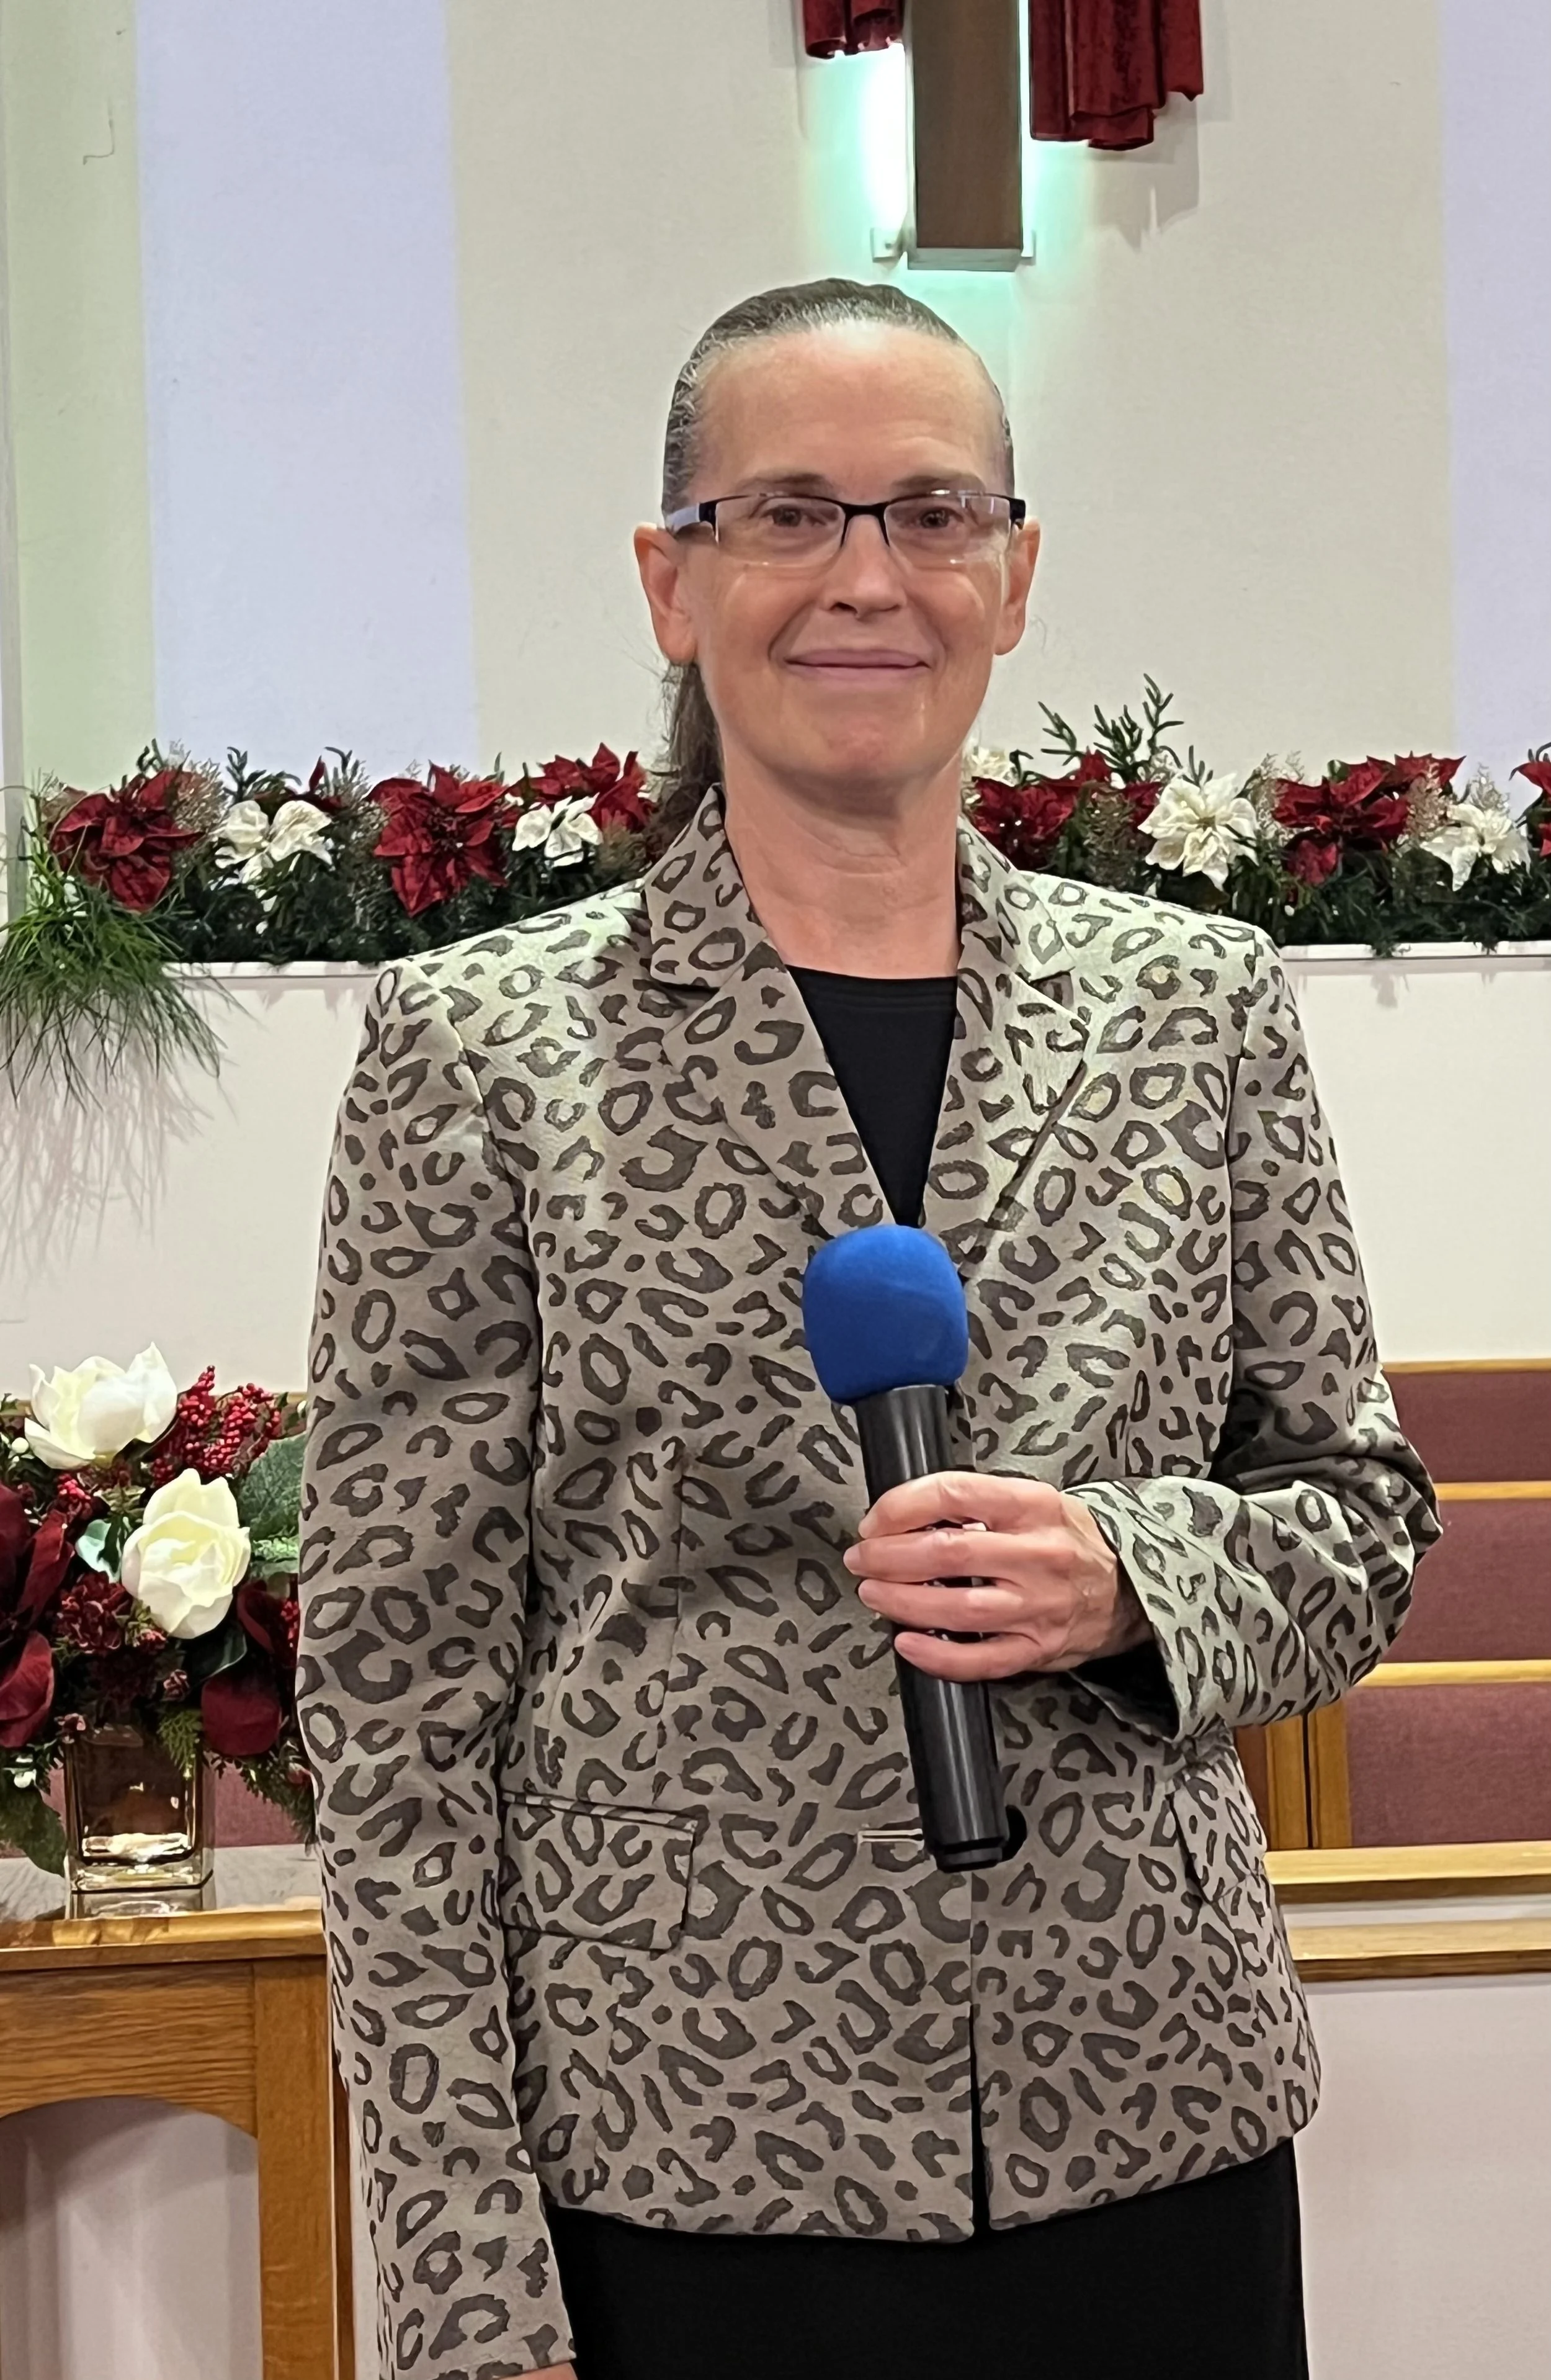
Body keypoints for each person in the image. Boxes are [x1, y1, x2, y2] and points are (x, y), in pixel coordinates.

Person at [298, 279, 1437, 2380]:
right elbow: (392, 1702)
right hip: (691, 2149)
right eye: (786, 514)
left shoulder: (1192, 1008)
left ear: (1013, 577)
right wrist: (463, 2272)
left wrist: (1134, 1576)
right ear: (670, 581)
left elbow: (1357, 1519)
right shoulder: (481, 1050)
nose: (864, 578)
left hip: (1144, 2115)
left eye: (929, 515)